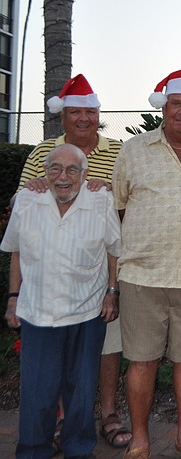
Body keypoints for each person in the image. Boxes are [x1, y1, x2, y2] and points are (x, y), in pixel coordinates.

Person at [112, 70, 181, 459]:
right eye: (175, 104)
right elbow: (120, 207)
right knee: (141, 361)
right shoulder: (133, 150)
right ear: (163, 107)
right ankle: (141, 440)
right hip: (143, 275)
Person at [14, 74, 130, 449]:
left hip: (105, 267)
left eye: (90, 112)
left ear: (99, 115)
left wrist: (111, 192)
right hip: (51, 283)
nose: (83, 118)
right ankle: (63, 422)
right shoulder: (43, 154)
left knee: (107, 347)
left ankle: (108, 413)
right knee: (57, 364)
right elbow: (22, 211)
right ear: (62, 117)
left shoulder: (118, 151)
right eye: (76, 112)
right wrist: (34, 187)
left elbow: (132, 200)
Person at [2, 144, 121, 458]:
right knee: (37, 392)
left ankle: (78, 449)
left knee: (80, 390)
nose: (63, 176)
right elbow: (16, 250)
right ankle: (32, 450)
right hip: (38, 312)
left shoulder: (100, 201)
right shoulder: (28, 200)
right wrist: (13, 297)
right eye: (55, 168)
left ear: (84, 175)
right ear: (44, 173)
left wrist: (112, 292)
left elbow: (113, 250)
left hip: (86, 311)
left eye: (71, 170)